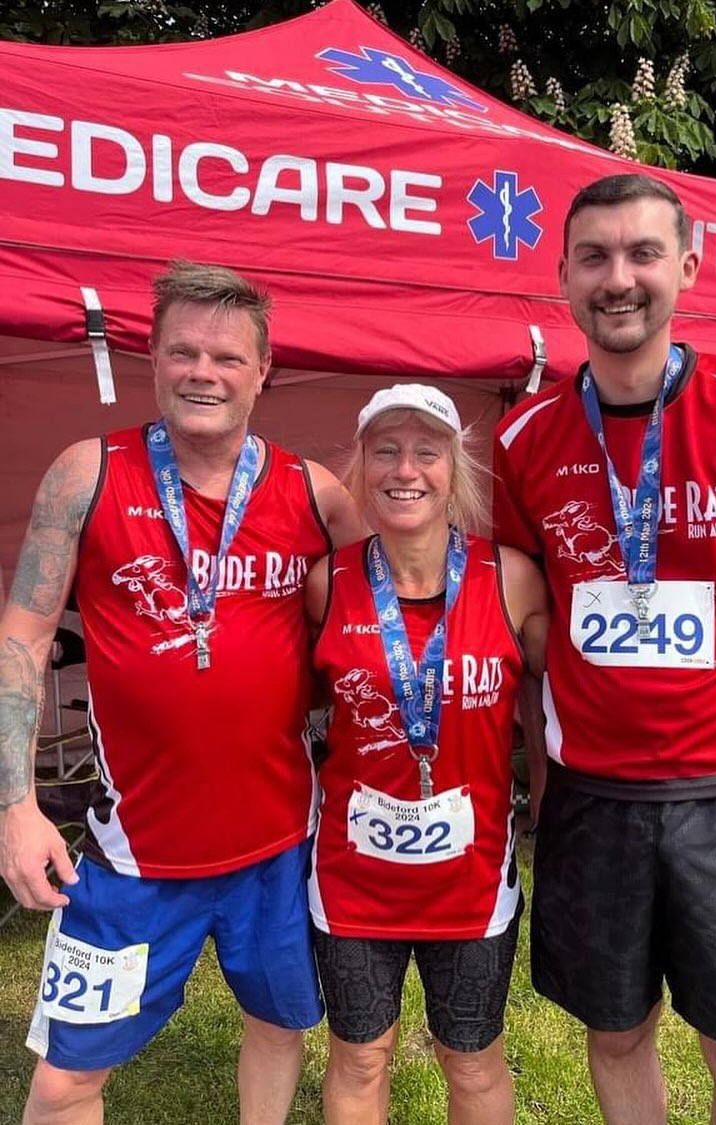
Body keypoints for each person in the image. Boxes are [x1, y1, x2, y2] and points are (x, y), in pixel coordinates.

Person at [492, 174, 716, 1125]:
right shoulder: (524, 436)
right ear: (563, 275)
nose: (620, 278)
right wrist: (535, 766)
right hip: (594, 798)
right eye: (595, 257)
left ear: (687, 268)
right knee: (616, 1034)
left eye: (643, 253)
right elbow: (526, 623)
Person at [0, 261, 367, 1125]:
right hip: (133, 857)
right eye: (184, 352)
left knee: (278, 1029)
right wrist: (14, 804)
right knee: (63, 1082)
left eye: (228, 357)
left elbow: (387, 613)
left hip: (279, 847)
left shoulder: (313, 492)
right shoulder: (86, 473)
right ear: (154, 360)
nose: (205, 371)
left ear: (264, 368)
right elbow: (20, 633)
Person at [304, 384, 547, 1125]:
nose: (404, 468)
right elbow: (294, 710)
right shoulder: (327, 583)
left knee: (472, 1061)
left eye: (426, 451)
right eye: (386, 449)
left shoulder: (509, 577)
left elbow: (557, 694)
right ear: (362, 465)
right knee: (360, 1056)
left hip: (471, 881)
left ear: (454, 468)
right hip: (354, 877)